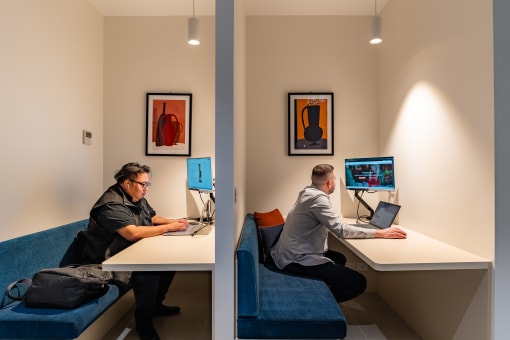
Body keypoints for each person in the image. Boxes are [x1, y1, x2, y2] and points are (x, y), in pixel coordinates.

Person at [80, 162, 189, 340]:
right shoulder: (111, 204)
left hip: (129, 253)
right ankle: (143, 323)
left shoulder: (137, 197)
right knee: (149, 272)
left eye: (148, 184)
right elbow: (132, 233)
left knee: (168, 263)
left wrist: (174, 222)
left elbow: (152, 217)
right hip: (107, 261)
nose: (146, 189)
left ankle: (155, 306)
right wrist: (170, 228)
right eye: (143, 184)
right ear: (127, 183)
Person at [270, 164, 407, 303]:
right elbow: (341, 230)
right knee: (358, 283)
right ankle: (316, 303)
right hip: (294, 260)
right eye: (334, 179)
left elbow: (329, 221)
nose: (335, 182)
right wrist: (380, 233)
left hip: (287, 252)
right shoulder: (318, 199)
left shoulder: (308, 192)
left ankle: (324, 291)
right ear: (329, 183)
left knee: (339, 258)